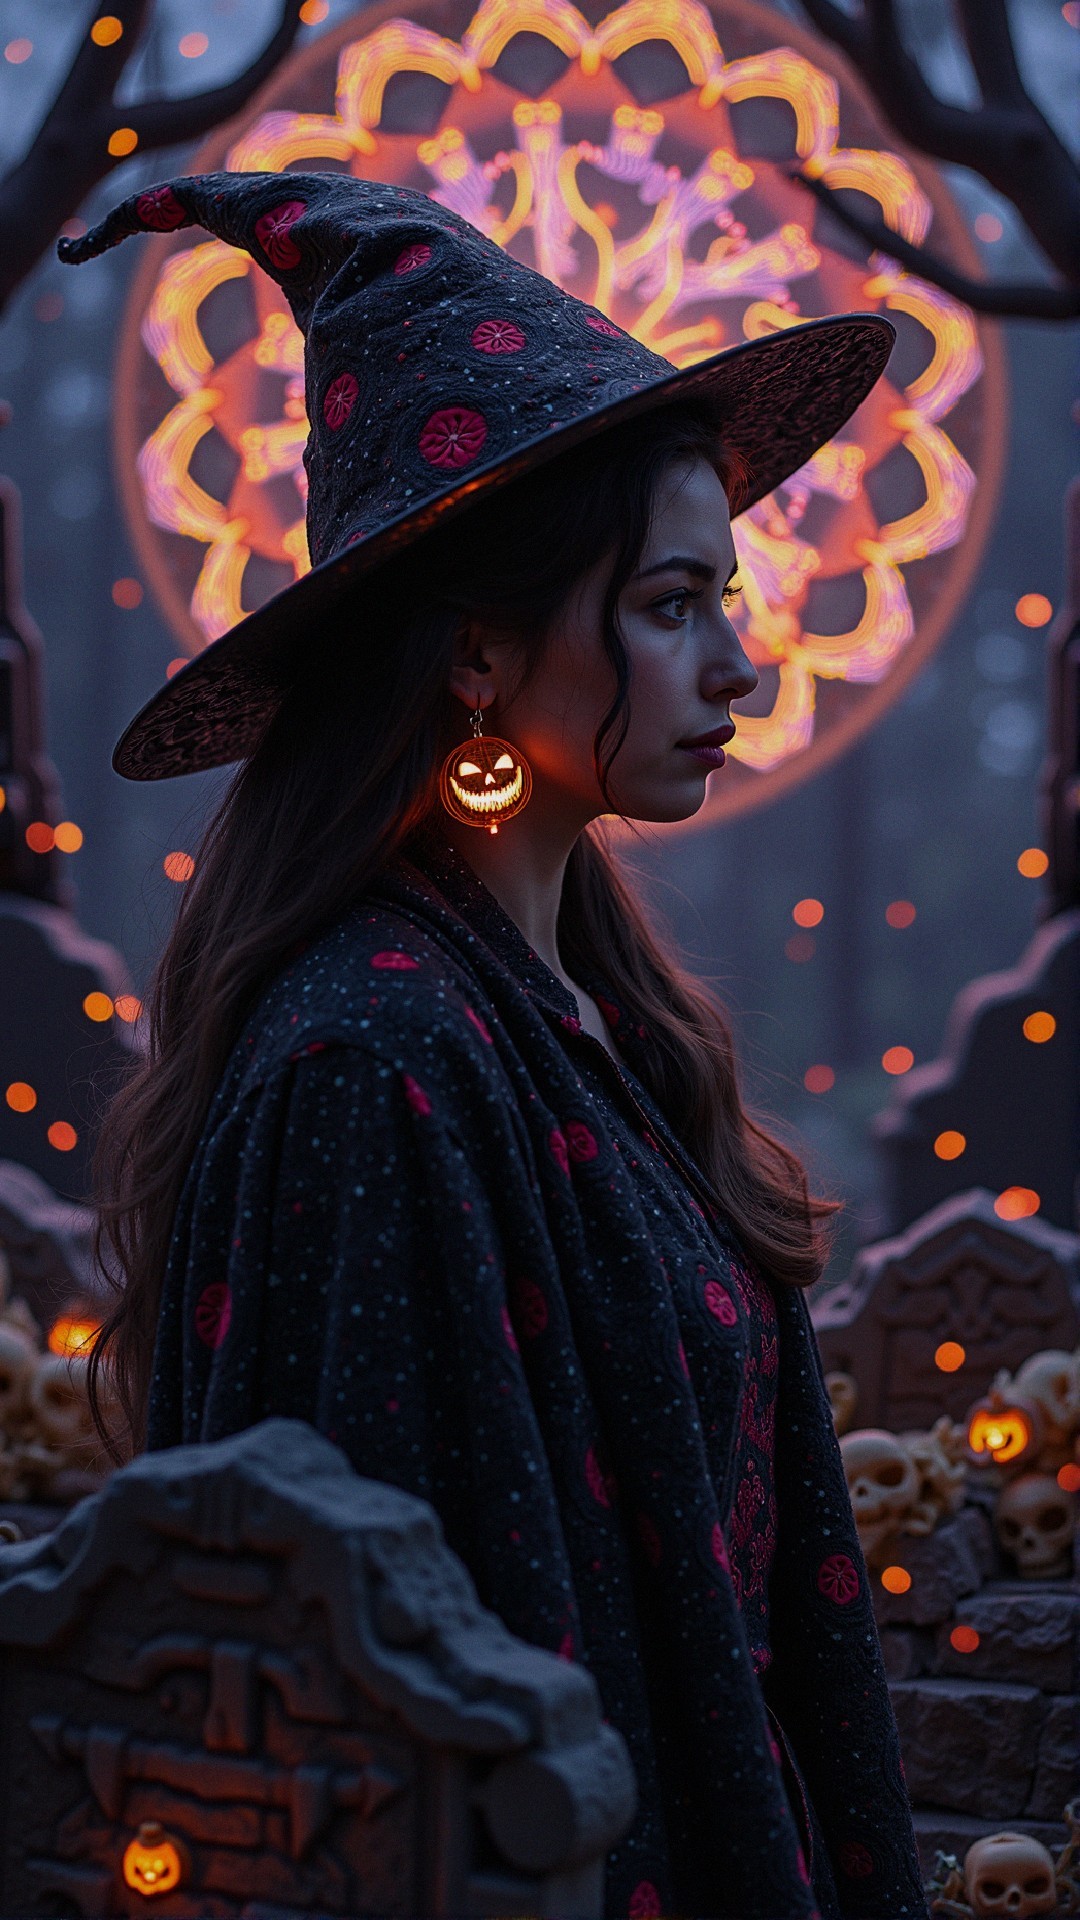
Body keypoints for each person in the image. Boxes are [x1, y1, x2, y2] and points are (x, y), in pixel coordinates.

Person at [61, 172, 927, 1919]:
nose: (738, 671)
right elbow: (380, 1713)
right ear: (476, 652)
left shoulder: (587, 1015)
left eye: (727, 603)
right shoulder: (376, 1061)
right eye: (673, 605)